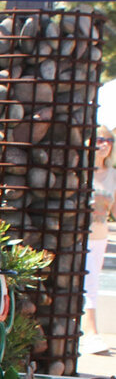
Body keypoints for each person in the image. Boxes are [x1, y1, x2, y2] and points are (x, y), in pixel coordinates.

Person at [81, 127, 114, 355]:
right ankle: (88, 333)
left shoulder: (112, 174)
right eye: (99, 139)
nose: (104, 144)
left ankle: (91, 333)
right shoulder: (82, 171)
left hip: (99, 237)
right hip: (78, 236)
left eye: (109, 140)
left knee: (91, 284)